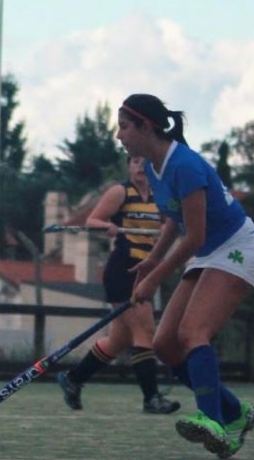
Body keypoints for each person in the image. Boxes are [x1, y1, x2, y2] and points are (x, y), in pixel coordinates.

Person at [117, 94, 254, 459]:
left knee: (192, 332)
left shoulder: (184, 165)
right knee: (165, 346)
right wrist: (152, 261)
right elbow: (174, 218)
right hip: (208, 252)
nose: (119, 135)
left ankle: (213, 420)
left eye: (124, 127)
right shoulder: (154, 167)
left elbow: (195, 236)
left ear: (147, 127)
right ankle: (235, 411)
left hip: (239, 247)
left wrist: (155, 279)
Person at [58, 156, 180, 415]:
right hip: (122, 270)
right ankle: (151, 398)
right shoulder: (120, 192)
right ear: (128, 166)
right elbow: (92, 221)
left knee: (119, 339)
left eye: (145, 162)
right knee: (144, 329)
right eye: (134, 162)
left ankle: (74, 379)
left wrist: (166, 229)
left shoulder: (160, 196)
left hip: (145, 271)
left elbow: (172, 224)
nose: (139, 166)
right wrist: (108, 226)